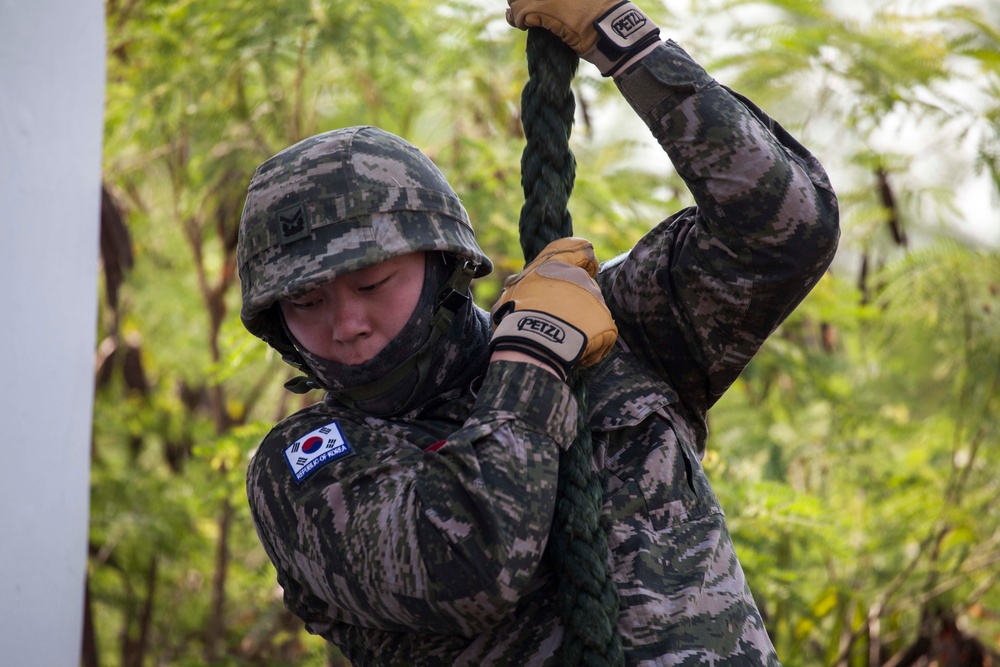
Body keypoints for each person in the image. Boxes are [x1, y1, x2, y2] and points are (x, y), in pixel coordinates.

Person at [236, 0, 840, 664]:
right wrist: (533, 359)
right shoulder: (305, 465)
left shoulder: (605, 327)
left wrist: (627, 44)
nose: (346, 323)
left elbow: (785, 228)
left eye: (374, 284)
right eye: (307, 301)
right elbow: (471, 565)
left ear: (444, 266)